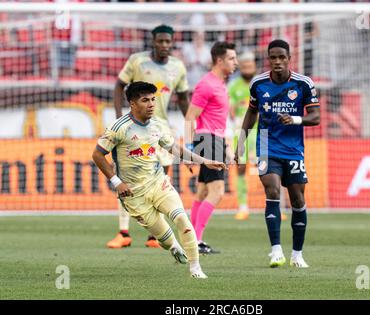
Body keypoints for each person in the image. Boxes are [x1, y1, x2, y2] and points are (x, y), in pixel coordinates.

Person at [92, 82, 226, 278]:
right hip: (133, 194)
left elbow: (175, 148)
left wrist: (204, 161)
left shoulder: (157, 125)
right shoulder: (118, 128)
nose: (151, 104)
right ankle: (173, 246)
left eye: (153, 99)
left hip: (159, 183)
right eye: (145, 100)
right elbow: (97, 155)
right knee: (163, 239)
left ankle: (196, 268)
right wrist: (117, 182)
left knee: (181, 218)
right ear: (132, 104)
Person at [235, 40, 320, 268]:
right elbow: (251, 114)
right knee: (271, 189)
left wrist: (295, 119)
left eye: (282, 57)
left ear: (289, 58)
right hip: (265, 143)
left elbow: (316, 117)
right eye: (273, 57)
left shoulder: (303, 84)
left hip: (293, 148)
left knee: (298, 200)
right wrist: (241, 143)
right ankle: (275, 251)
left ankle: (297, 254)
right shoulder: (259, 83)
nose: (277, 61)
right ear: (268, 59)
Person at [109, 24, 190, 249]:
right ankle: (123, 232)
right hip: (134, 129)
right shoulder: (137, 61)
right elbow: (119, 85)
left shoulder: (178, 66)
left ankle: (153, 236)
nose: (164, 45)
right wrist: (118, 117)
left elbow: (184, 100)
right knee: (128, 178)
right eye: (160, 41)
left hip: (161, 130)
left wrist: (192, 131)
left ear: (172, 43)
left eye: (167, 42)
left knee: (160, 180)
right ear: (153, 41)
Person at [185, 41, 238, 254]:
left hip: (213, 140)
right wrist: (189, 149)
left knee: (203, 192)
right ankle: (195, 242)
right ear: (219, 60)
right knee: (217, 192)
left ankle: (193, 239)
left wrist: (226, 146)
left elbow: (216, 121)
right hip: (207, 140)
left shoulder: (220, 84)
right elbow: (190, 116)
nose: (235, 63)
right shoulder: (206, 84)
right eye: (232, 59)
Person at [228, 51, 258, 220]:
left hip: (262, 132)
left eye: (250, 65)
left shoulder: (261, 83)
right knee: (240, 168)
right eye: (244, 66)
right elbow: (230, 110)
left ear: (254, 66)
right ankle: (243, 206)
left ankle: (274, 205)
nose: (247, 68)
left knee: (269, 168)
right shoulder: (234, 85)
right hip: (240, 132)